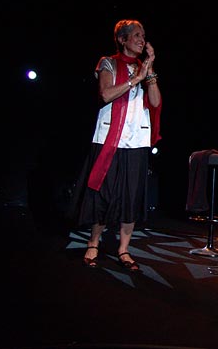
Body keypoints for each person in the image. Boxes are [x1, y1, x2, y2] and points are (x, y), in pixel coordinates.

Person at [69, 19, 162, 272]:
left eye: (143, 35)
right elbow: (106, 94)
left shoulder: (144, 68)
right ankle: (94, 242)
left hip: (136, 140)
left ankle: (124, 249)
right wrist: (135, 79)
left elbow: (154, 102)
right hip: (109, 136)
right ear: (122, 39)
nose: (142, 40)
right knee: (103, 193)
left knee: (131, 196)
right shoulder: (107, 62)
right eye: (136, 35)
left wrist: (149, 71)